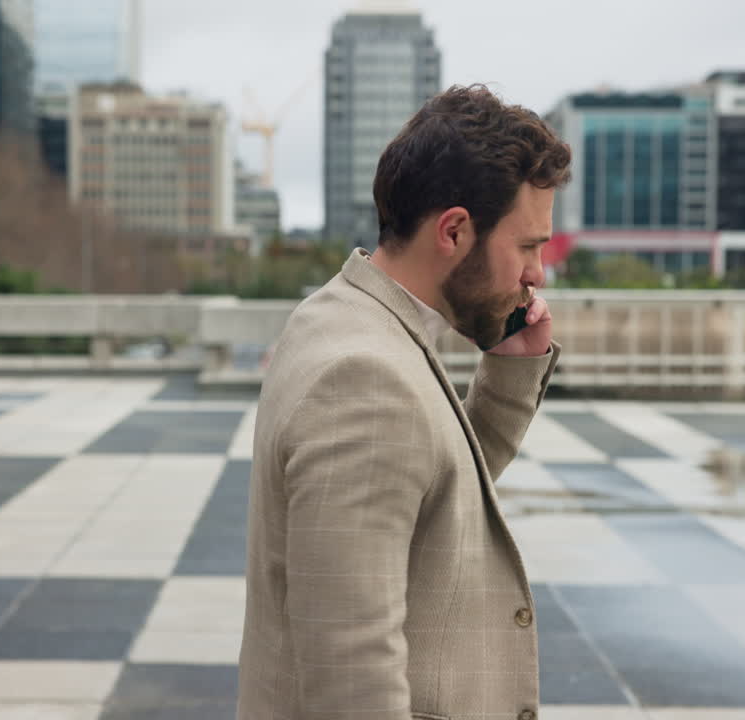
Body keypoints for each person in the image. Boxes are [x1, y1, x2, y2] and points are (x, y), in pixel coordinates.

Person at [237, 84, 572, 720]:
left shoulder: (341, 314)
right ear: (454, 230)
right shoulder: (365, 378)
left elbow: (431, 502)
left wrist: (508, 374)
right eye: (528, 247)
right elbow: (350, 675)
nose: (538, 274)